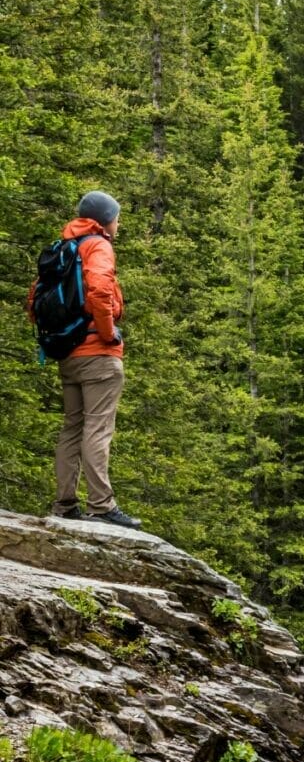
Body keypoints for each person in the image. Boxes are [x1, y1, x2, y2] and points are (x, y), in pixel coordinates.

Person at [34, 191, 141, 529]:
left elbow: (34, 299)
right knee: (98, 427)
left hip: (69, 354)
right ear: (105, 218)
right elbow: (99, 290)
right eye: (117, 216)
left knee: (72, 428)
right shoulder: (98, 245)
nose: (118, 223)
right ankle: (101, 505)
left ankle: (65, 504)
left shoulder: (64, 248)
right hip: (98, 354)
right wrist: (108, 333)